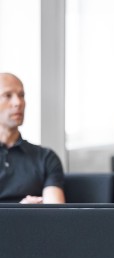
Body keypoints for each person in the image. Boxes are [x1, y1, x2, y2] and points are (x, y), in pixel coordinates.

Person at [0, 73, 65, 204]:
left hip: (33, 224)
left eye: (21, 95)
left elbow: (56, 213)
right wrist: (19, 212)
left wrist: (30, 215)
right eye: (8, 95)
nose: (18, 102)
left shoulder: (46, 157)